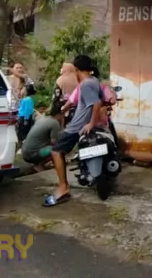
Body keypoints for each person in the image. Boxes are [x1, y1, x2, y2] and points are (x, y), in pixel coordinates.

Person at [43, 55, 108, 207]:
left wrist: (90, 123)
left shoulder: (85, 84)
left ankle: (63, 187)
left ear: (76, 70)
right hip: (83, 124)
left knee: (56, 152)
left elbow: (97, 103)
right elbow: (100, 100)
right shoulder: (95, 81)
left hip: (76, 127)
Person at [62, 67, 119, 145]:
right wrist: (105, 102)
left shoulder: (80, 88)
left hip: (84, 124)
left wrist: (62, 109)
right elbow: (112, 101)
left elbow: (69, 103)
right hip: (101, 123)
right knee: (113, 139)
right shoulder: (102, 87)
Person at [16, 79, 36, 147]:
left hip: (24, 118)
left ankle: (21, 145)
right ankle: (20, 144)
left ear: (26, 91)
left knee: (22, 132)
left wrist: (26, 120)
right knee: (20, 131)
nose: (21, 90)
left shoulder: (27, 100)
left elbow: (27, 110)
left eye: (22, 89)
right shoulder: (25, 99)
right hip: (22, 117)